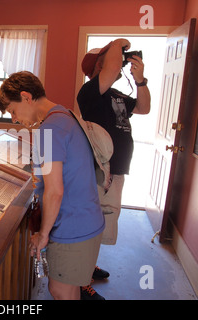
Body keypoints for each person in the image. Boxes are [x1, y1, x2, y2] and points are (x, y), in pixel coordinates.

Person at [0, 71, 105, 300]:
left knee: (60, 290)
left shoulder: (49, 129)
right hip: (86, 219)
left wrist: (43, 235)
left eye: (12, 111)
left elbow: (55, 191)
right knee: (68, 290)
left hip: (73, 226)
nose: (14, 120)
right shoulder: (63, 115)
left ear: (26, 97)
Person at [77, 38, 151, 299]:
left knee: (104, 223)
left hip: (117, 170)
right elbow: (109, 69)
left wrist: (140, 80)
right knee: (93, 225)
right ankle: (81, 283)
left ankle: (89, 266)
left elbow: (144, 108)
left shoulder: (118, 95)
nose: (119, 64)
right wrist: (118, 43)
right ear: (100, 64)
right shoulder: (89, 92)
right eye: (112, 60)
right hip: (100, 170)